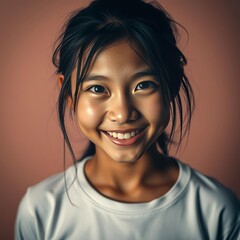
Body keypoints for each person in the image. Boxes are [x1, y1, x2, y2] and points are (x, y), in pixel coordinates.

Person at [15, 0, 239, 239]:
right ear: (69, 93)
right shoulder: (40, 210)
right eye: (98, 88)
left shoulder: (215, 210)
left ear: (172, 82)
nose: (122, 113)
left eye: (143, 85)